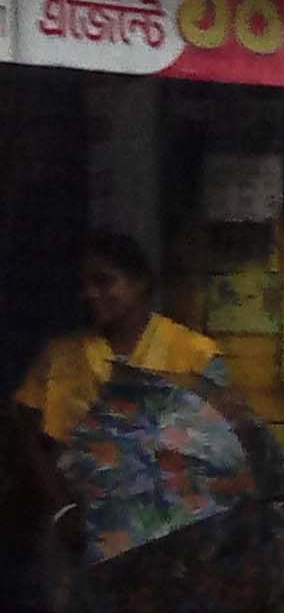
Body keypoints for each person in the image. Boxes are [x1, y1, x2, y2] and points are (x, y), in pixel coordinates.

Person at [12, 233, 227, 559]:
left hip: (167, 533)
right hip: (79, 534)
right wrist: (63, 508)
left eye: (104, 281)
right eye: (83, 284)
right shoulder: (61, 356)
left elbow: (220, 453)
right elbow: (27, 433)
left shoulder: (194, 354)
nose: (90, 294)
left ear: (140, 283)